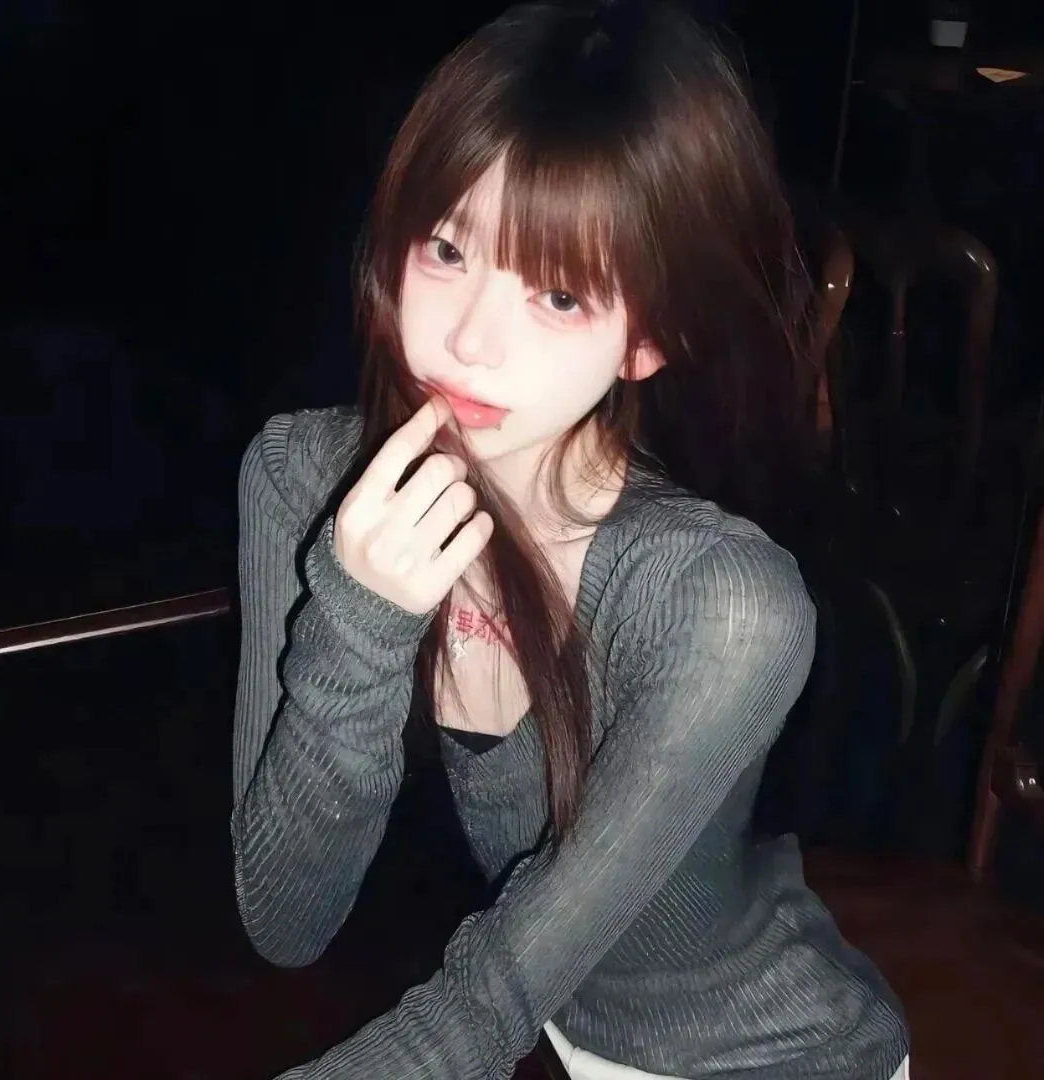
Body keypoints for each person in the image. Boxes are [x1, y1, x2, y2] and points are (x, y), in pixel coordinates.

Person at [231, 2, 910, 1077]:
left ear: (648, 338)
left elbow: (485, 1004)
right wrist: (356, 615)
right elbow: (285, 920)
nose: (469, 339)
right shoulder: (306, 484)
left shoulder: (724, 605)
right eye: (446, 248)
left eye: (556, 294)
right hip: (550, 1035)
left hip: (761, 1052)